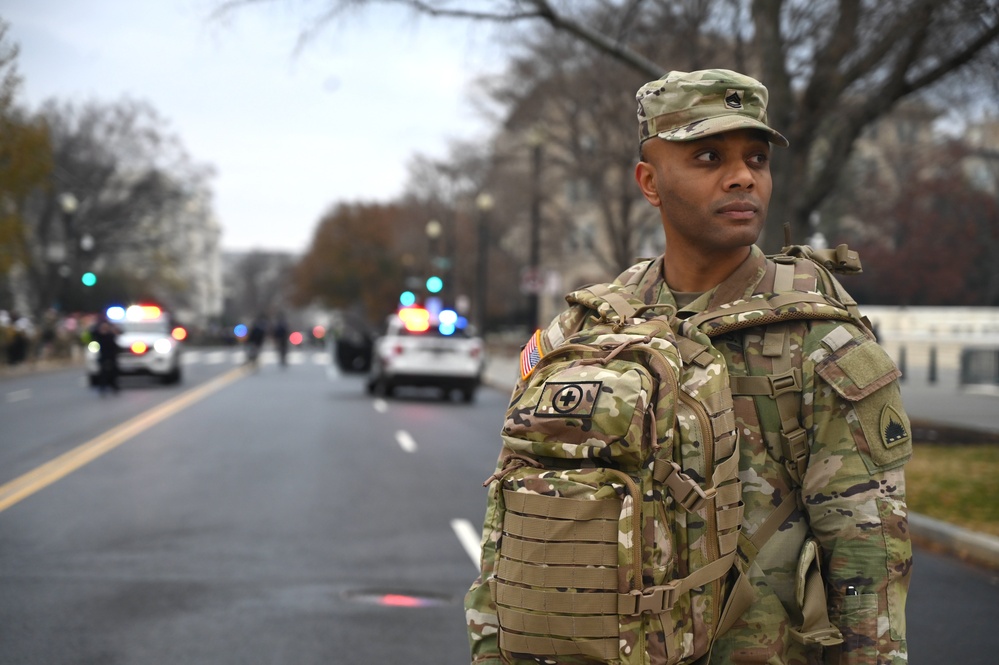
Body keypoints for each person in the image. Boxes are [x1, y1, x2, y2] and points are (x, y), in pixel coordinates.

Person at [465, 69, 911, 664]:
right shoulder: (588, 328)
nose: (742, 176)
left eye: (757, 158)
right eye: (708, 156)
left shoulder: (818, 340)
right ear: (649, 182)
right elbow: (514, 517)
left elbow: (869, 564)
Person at [89, 316, 121, 394]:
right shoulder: (99, 336)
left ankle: (114, 386)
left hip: (112, 356)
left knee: (114, 372)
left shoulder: (111, 336)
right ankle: (102, 387)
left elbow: (119, 335)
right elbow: (92, 332)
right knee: (103, 373)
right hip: (103, 356)